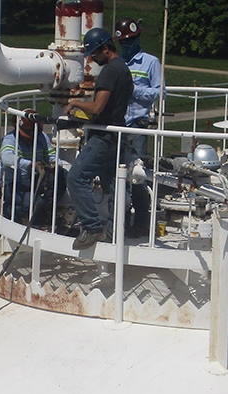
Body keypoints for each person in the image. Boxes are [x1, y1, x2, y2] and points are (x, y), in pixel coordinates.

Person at [64, 27, 133, 250]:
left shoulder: (110, 71)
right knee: (113, 185)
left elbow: (97, 107)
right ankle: (114, 232)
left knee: (76, 177)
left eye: (94, 53)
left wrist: (75, 103)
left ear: (106, 48)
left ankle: (92, 227)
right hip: (118, 135)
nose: (92, 58)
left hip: (104, 136)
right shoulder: (124, 69)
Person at [114, 17, 162, 237]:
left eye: (131, 40)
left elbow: (160, 92)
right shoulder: (117, 62)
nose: (127, 44)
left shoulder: (151, 62)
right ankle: (119, 221)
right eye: (124, 42)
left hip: (137, 126)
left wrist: (134, 90)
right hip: (117, 125)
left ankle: (142, 222)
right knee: (117, 176)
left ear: (138, 37)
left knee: (138, 176)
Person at [0, 111, 64, 226]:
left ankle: (47, 211)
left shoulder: (42, 137)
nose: (31, 138)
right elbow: (6, 157)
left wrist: (55, 165)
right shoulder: (10, 139)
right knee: (30, 204)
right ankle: (17, 217)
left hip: (30, 180)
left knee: (62, 174)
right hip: (10, 183)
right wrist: (31, 164)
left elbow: (53, 156)